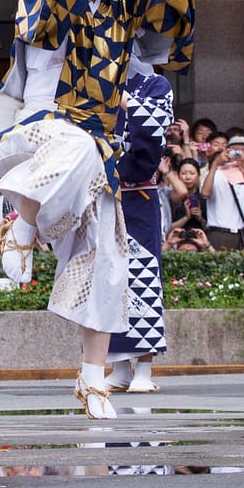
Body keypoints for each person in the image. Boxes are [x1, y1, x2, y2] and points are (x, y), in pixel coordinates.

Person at [0, 0, 199, 420]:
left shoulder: (127, 1)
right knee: (73, 147)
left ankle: (93, 378)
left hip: (95, 149)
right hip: (44, 130)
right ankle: (20, 222)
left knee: (107, 259)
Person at [105, 58, 174, 394]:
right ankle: (118, 364)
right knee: (108, 280)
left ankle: (144, 366)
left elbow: (152, 130)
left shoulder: (157, 86)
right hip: (105, 196)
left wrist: (120, 96)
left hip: (139, 194)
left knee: (143, 276)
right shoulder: (97, 80)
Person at [200, 135, 244, 251]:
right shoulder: (215, 175)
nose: (238, 153)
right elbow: (205, 194)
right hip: (218, 233)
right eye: (233, 150)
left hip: (242, 234)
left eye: (242, 150)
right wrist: (215, 164)